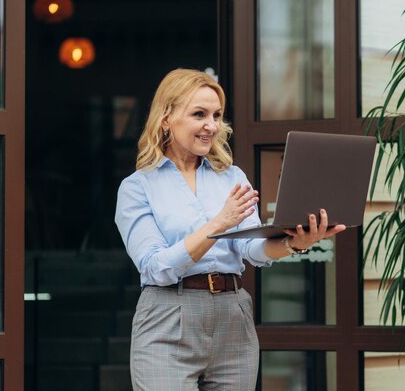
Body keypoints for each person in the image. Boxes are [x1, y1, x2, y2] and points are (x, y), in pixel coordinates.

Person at [114, 68, 346, 391]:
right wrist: (218, 224)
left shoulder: (232, 176)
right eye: (199, 114)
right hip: (168, 318)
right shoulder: (137, 188)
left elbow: (251, 248)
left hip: (232, 315)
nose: (212, 125)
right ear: (166, 119)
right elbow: (156, 267)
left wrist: (295, 242)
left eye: (217, 115)